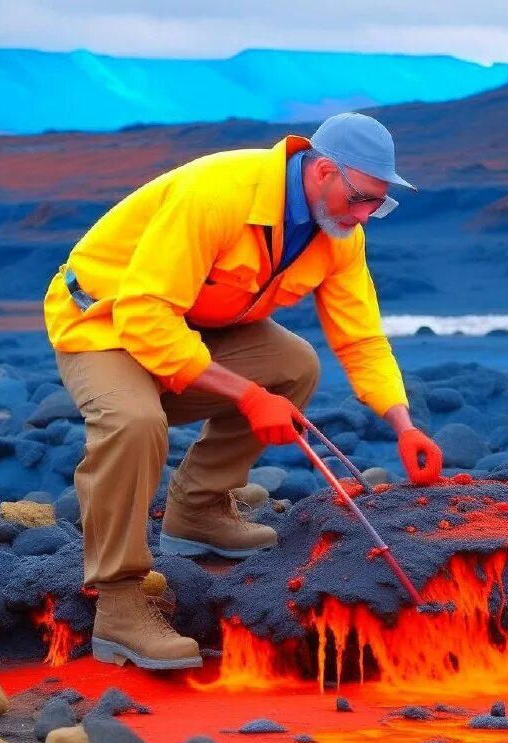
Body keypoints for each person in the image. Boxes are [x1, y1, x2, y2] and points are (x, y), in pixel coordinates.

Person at [43, 111, 444, 671]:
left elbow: (361, 339)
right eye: (360, 199)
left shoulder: (341, 232)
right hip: (108, 321)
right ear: (323, 170)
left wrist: (403, 424)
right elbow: (145, 317)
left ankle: (198, 510)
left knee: (293, 366)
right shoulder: (218, 196)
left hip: (198, 326)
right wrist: (247, 396)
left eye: (378, 204)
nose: (364, 215)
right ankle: (120, 603)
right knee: (134, 423)